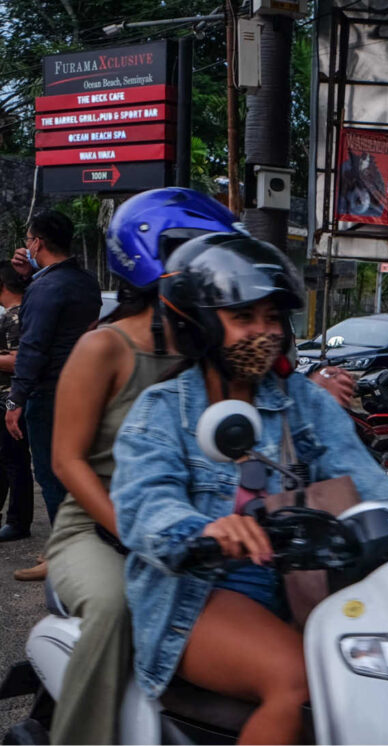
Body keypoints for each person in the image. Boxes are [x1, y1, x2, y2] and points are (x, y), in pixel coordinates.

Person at [110, 233, 388, 745]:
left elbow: (365, 482)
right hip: (199, 596)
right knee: (297, 680)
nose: (263, 332)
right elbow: (145, 506)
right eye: (244, 318)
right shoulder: (161, 411)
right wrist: (206, 530)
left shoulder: (303, 402)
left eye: (272, 318)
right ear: (197, 324)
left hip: (306, 589)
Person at [44, 187, 243, 744]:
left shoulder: (206, 349)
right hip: (96, 529)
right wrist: (132, 531)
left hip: (188, 522)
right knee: (113, 608)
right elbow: (67, 460)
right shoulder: (103, 349)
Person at [6, 209, 101, 581]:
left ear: (38, 242)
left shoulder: (46, 288)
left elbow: (33, 347)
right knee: (79, 472)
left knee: (51, 472)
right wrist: (29, 278)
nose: (26, 245)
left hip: (49, 393)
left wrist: (15, 400)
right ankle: (80, 547)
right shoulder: (85, 282)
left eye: (29, 239)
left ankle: (63, 556)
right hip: (84, 389)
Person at [0, 262, 33, 542]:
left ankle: (18, 522)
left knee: (15, 461)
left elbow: (18, 361)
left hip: (12, 399)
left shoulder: (15, 316)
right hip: (11, 399)